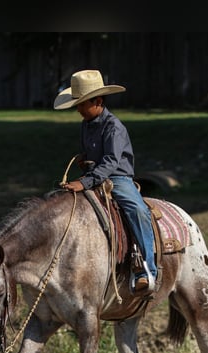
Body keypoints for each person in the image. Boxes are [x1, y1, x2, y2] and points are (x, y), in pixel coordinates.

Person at [54, 69, 157, 294]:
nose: (79, 109)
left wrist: (85, 182)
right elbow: (93, 154)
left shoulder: (114, 127)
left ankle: (147, 269)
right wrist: (84, 160)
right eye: (77, 105)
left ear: (98, 101)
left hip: (117, 178)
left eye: (82, 105)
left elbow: (111, 161)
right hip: (93, 175)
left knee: (137, 210)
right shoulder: (86, 124)